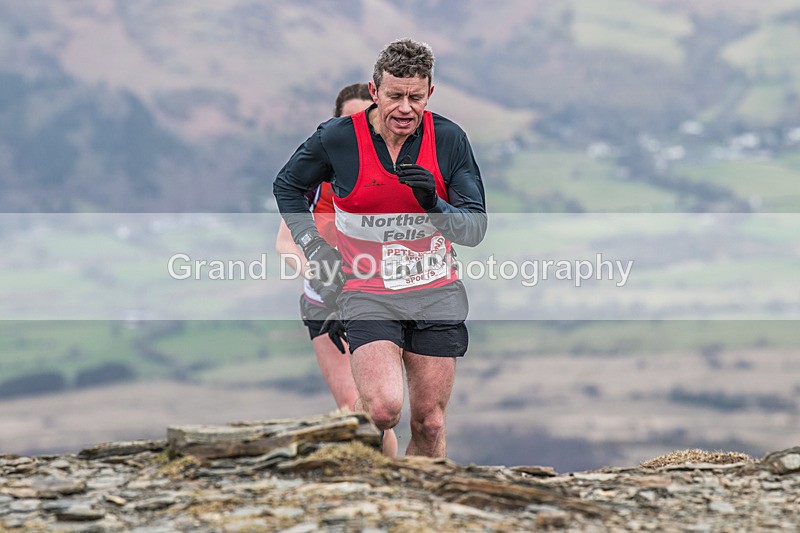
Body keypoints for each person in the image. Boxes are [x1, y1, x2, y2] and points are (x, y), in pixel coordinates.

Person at [274, 39, 487, 458]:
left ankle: (420, 514)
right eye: (395, 96)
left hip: (435, 293)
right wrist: (313, 245)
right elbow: (287, 185)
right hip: (368, 293)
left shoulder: (448, 140)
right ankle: (363, 494)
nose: (405, 107)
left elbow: (474, 228)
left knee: (430, 421)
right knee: (382, 409)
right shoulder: (337, 139)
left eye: (416, 96)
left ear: (429, 93)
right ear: (375, 92)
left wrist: (434, 204)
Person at [275, 83, 398, 457]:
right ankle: (378, 488)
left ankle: (393, 487)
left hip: (384, 298)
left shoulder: (394, 169)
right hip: (326, 303)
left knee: (384, 409)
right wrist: (321, 276)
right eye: (350, 120)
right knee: (355, 410)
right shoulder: (317, 176)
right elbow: (285, 243)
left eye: (368, 118)